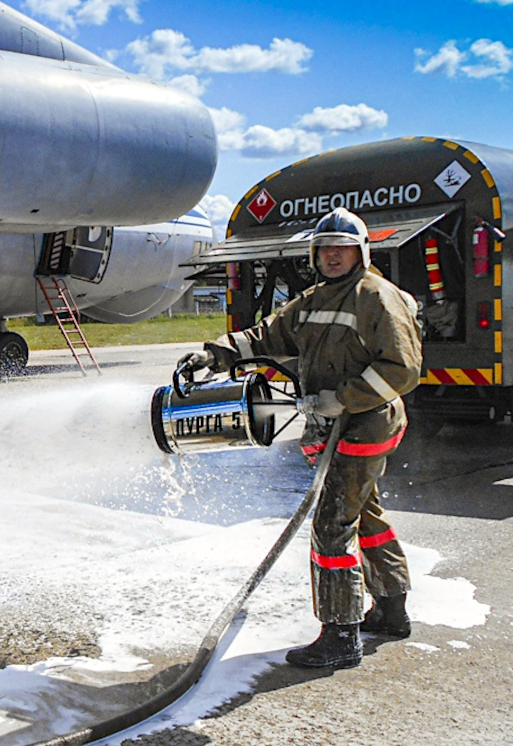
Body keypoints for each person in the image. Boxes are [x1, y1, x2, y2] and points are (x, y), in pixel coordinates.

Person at [180, 207, 423, 669]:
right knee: (365, 514)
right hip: (337, 425)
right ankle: (392, 611)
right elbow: (269, 335)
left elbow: (403, 368)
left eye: (342, 248)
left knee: (332, 525)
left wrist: (342, 399)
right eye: (325, 249)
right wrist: (213, 355)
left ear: (361, 252)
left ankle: (340, 635)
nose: (333, 256)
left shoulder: (376, 297)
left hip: (364, 425)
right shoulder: (314, 299)